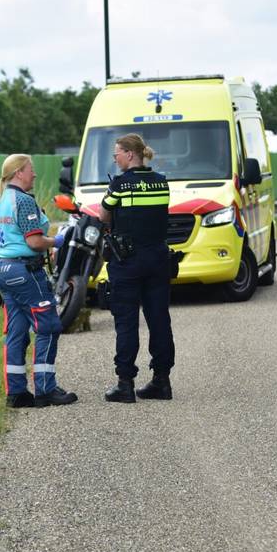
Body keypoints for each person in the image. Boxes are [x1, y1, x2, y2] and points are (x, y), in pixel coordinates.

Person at [0, 154, 77, 408]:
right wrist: (56, 242)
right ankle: (46, 389)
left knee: (16, 331)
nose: (34, 174)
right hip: (26, 271)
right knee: (48, 325)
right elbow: (34, 242)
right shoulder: (24, 201)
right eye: (31, 170)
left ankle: (16, 393)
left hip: (5, 270)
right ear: (19, 172)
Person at [100, 133, 176, 403]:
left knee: (126, 321)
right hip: (158, 259)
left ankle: (125, 383)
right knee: (159, 319)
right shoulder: (161, 183)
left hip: (128, 261)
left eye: (117, 153)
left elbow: (104, 215)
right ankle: (162, 381)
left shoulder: (120, 185)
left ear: (130, 154)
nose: (115, 158)